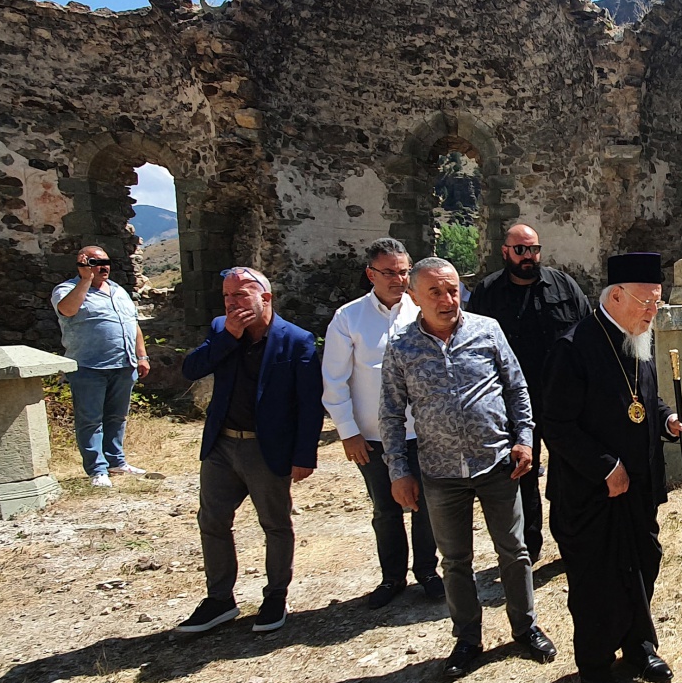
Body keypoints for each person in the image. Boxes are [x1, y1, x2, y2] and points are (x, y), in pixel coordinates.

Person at [379, 257, 557, 679]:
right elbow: (390, 414)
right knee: (455, 560)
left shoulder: (486, 330)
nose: (447, 300)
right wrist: (398, 471)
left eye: (453, 289)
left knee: (514, 553)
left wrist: (525, 439)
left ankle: (525, 627)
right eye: (435, 292)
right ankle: (467, 638)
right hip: (440, 473)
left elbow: (517, 388)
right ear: (414, 297)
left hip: (496, 465)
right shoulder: (402, 346)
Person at [544, 252, 682, 683]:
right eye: (647, 301)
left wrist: (669, 420)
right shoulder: (574, 347)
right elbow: (558, 424)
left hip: (638, 491)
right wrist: (605, 466)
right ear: (615, 296)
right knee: (597, 582)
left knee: (642, 564)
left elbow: (644, 402)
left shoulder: (638, 340)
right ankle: (595, 668)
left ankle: (638, 648)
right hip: (591, 494)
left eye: (658, 302)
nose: (653, 311)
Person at [177, 267, 322, 635]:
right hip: (222, 445)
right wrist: (228, 336)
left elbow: (309, 403)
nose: (232, 303)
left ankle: (275, 596)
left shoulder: (297, 340)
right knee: (212, 522)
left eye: (241, 295)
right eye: (227, 296)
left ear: (266, 298)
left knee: (275, 524)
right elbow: (191, 369)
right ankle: (220, 600)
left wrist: (304, 455)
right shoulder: (220, 329)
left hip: (266, 448)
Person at [323, 239, 443, 609]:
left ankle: (427, 572)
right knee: (386, 509)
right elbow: (333, 380)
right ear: (370, 274)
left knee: (428, 506)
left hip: (423, 431)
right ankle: (393, 577)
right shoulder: (349, 318)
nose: (398, 279)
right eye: (389, 272)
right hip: (374, 436)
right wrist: (348, 432)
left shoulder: (424, 311)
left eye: (404, 271)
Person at [466, 223, 591, 566]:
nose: (528, 257)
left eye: (534, 249)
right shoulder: (487, 293)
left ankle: (573, 543)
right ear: (504, 251)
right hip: (512, 405)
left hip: (564, 400)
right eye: (520, 250)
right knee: (521, 476)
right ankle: (527, 550)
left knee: (572, 472)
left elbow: (588, 335)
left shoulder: (564, 286)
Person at [51, 246, 151, 487]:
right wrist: (86, 280)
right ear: (82, 265)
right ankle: (97, 470)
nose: (103, 266)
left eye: (106, 261)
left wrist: (142, 355)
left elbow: (133, 323)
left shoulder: (118, 290)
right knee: (90, 419)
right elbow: (67, 309)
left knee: (117, 416)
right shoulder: (66, 290)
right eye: (96, 262)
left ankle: (116, 462)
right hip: (89, 366)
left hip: (124, 364)